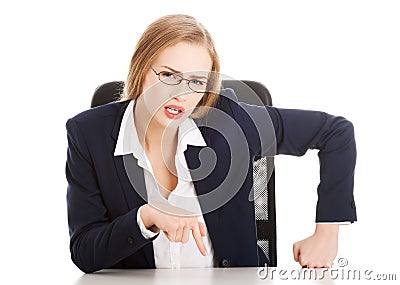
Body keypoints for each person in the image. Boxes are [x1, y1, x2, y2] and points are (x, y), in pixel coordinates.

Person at [65, 14, 357, 273]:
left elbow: (335, 133)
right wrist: (146, 216)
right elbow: (84, 253)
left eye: (197, 81)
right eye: (168, 75)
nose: (181, 94)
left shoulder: (231, 122)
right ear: (141, 69)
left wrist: (327, 233)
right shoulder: (88, 134)